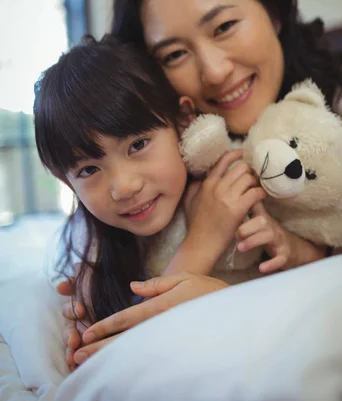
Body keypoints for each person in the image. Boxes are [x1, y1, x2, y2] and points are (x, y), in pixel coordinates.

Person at [62, 0, 342, 366]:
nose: (216, 72)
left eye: (224, 26)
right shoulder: (167, 141)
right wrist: (94, 278)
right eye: (173, 55)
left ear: (273, 12)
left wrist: (229, 302)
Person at [35, 35, 319, 364]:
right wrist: (201, 243)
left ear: (183, 120)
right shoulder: (95, 255)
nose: (123, 187)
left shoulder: (229, 185)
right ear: (66, 182)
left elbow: (338, 274)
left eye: (138, 145)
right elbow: (123, 362)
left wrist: (290, 247)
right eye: (88, 169)